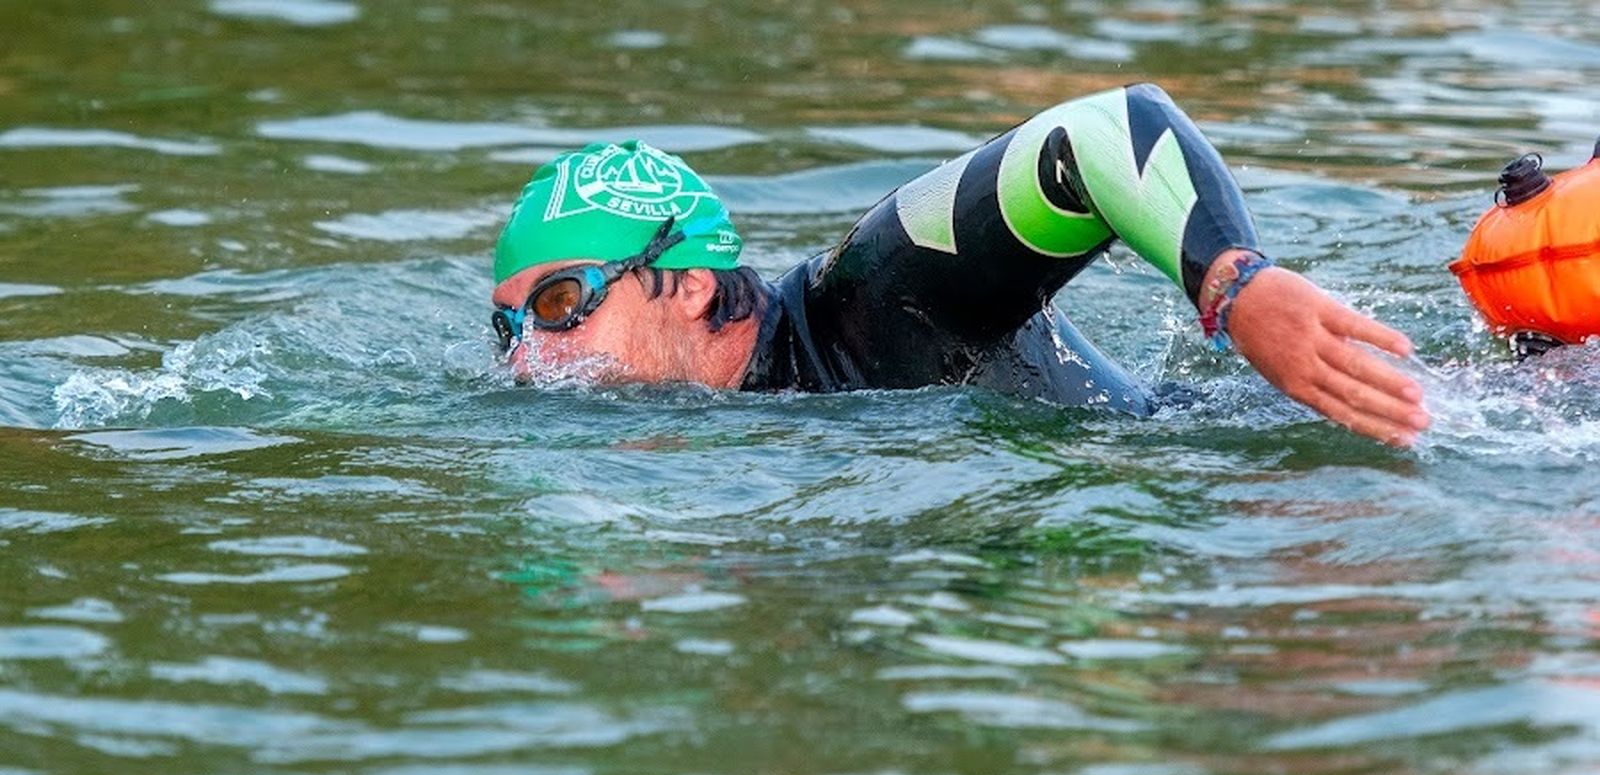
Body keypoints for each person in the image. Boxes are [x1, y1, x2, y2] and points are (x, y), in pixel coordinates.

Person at [489, 83, 1429, 446]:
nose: (528, 359)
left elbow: (1103, 133)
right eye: (508, 329)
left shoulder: (873, 293)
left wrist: (1236, 284)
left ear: (690, 283)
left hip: (1265, 452)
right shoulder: (739, 424)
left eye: (561, 300)